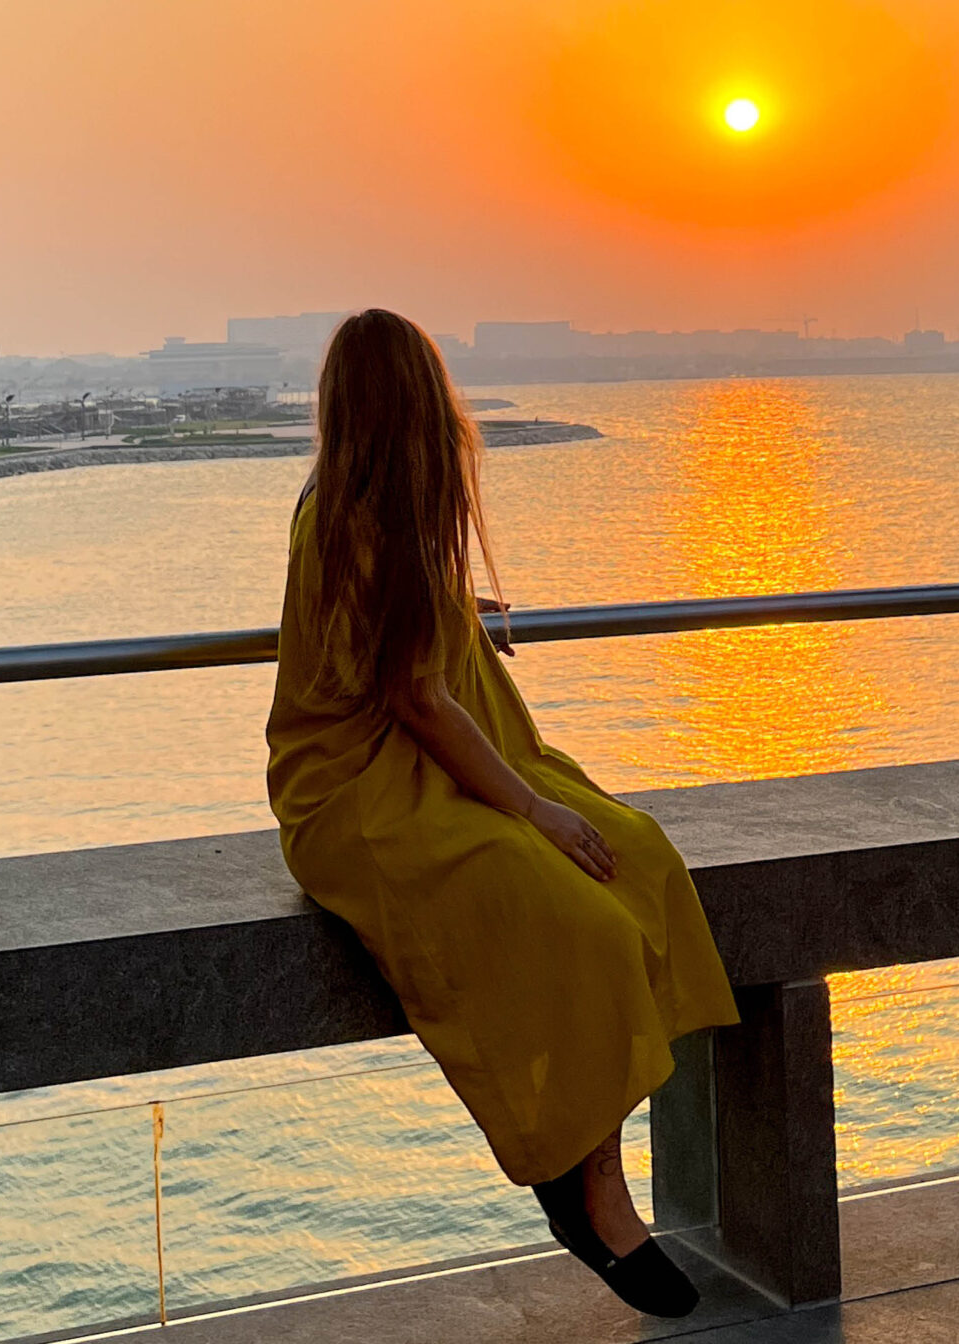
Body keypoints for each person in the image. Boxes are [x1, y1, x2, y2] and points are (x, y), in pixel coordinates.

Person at [265, 309, 741, 1317]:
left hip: (424, 763)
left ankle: (587, 1168)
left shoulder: (393, 515)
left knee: (641, 857)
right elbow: (414, 699)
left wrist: (450, 616)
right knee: (586, 924)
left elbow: (410, 654)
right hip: (357, 796)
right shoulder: (348, 517)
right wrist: (530, 809)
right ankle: (588, 1190)